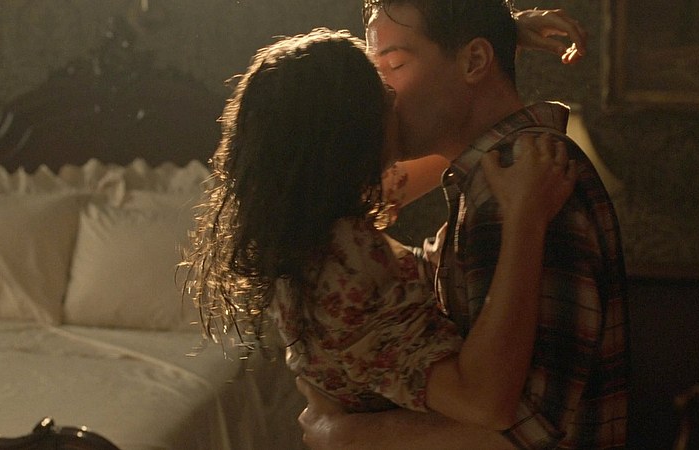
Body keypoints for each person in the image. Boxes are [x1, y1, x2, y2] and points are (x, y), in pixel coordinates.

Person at [182, 26, 578, 441]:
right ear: (351, 133)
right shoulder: (339, 276)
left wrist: (489, 45)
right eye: (383, 96)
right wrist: (524, 218)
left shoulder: (315, 216)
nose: (396, 100)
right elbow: (482, 401)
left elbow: (459, 139)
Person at [295, 1, 630, 449]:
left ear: (474, 61)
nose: (383, 94)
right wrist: (497, 34)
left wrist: (345, 434)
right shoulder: (491, 177)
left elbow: (528, 426)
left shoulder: (523, 186)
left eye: (395, 65)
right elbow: (337, 193)